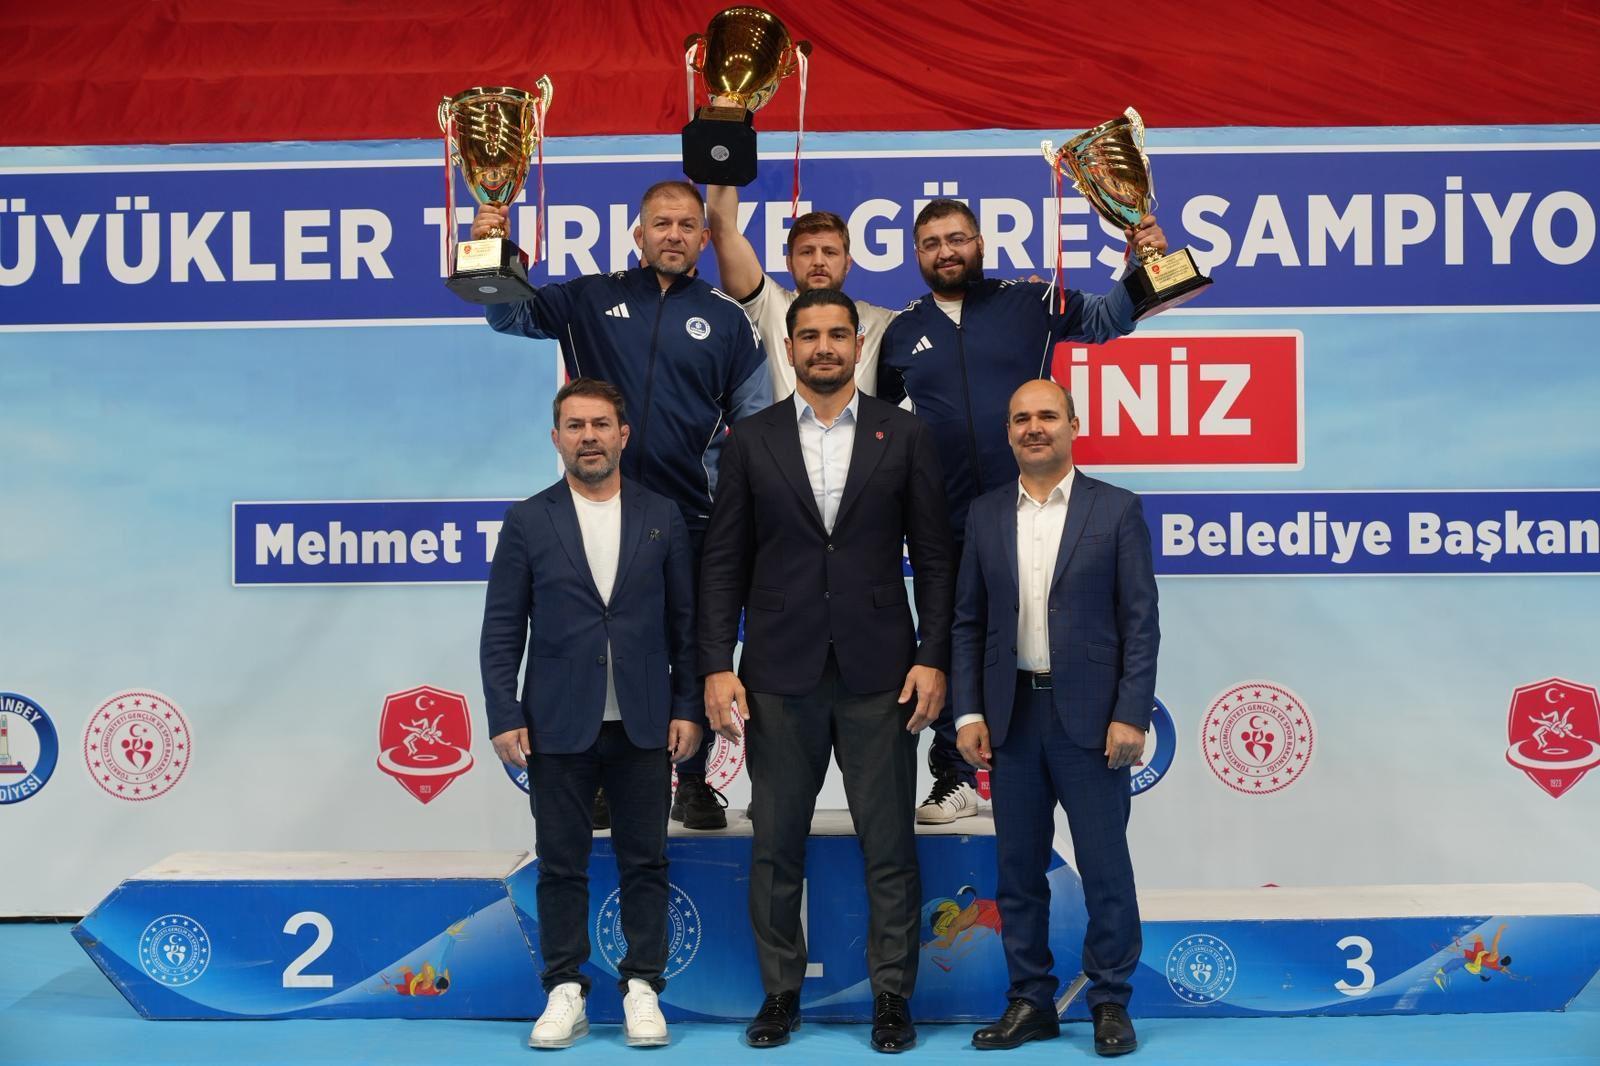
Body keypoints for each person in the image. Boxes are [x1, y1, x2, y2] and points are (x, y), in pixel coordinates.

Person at [698, 288, 955, 1052]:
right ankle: (780, 994)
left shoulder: (904, 434)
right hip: (778, 671)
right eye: (808, 335)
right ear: (788, 349)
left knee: (889, 845)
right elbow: (723, 562)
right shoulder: (751, 439)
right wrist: (716, 664)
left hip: (883, 671)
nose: (823, 347)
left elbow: (936, 560)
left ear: (857, 344)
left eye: (837, 334)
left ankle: (891, 997)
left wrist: (933, 656)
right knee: (776, 843)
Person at [475, 179, 769, 830]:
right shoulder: (589, 297)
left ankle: (694, 780)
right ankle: (603, 779)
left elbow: (754, 425)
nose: (673, 235)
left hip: (690, 516)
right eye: (661, 223)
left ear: (704, 237)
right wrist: (493, 252)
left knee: (692, 644)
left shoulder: (728, 319)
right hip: (595, 511)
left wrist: (736, 506)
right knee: (600, 640)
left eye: (686, 225)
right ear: (639, 234)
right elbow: (507, 316)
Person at [878, 198, 1166, 829]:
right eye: (931, 243)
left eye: (957, 238)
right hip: (946, 521)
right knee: (952, 637)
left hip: (1036, 512)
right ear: (916, 254)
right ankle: (954, 777)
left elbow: (1110, 317)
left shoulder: (1031, 301)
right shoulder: (900, 332)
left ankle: (1067, 753)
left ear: (980, 243)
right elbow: (873, 414)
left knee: (1044, 633)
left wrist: (1143, 262)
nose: (946, 251)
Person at [480, 377, 704, 1050]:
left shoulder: (662, 515)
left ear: (622, 434)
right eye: (575, 426)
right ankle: (564, 991)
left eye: (600, 424)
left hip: (644, 721)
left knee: (646, 861)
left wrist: (687, 705)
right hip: (556, 723)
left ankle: (643, 987)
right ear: (556, 438)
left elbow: (686, 626)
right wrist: (503, 712)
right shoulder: (528, 519)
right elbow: (502, 629)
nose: (589, 437)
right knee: (560, 864)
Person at [950, 379, 1158, 1056]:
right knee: (1017, 873)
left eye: (1047, 415)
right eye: (1021, 418)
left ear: (1073, 425)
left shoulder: (1116, 509)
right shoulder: (984, 514)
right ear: (1008, 432)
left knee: (1105, 868)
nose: (1033, 427)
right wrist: (968, 711)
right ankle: (1031, 1002)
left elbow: (1140, 622)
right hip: (1011, 718)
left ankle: (1110, 1001)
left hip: (1093, 723)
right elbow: (968, 622)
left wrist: (1131, 713)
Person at [704, 173, 895, 397]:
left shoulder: (879, 321)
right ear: (789, 263)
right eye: (807, 252)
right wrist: (721, 161)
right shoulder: (768, 305)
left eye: (830, 252)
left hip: (858, 422)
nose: (818, 261)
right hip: (781, 422)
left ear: (848, 263)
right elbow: (724, 232)